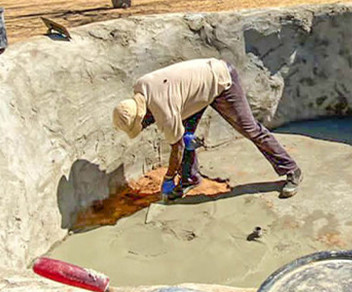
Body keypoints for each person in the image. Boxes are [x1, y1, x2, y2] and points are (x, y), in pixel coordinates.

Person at [112, 58, 302, 199]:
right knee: (185, 135)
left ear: (144, 115)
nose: (145, 127)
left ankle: (291, 170)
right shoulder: (141, 86)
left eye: (142, 124)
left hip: (221, 80)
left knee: (250, 129)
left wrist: (169, 177)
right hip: (195, 92)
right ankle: (190, 178)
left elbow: (177, 148)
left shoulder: (164, 111)